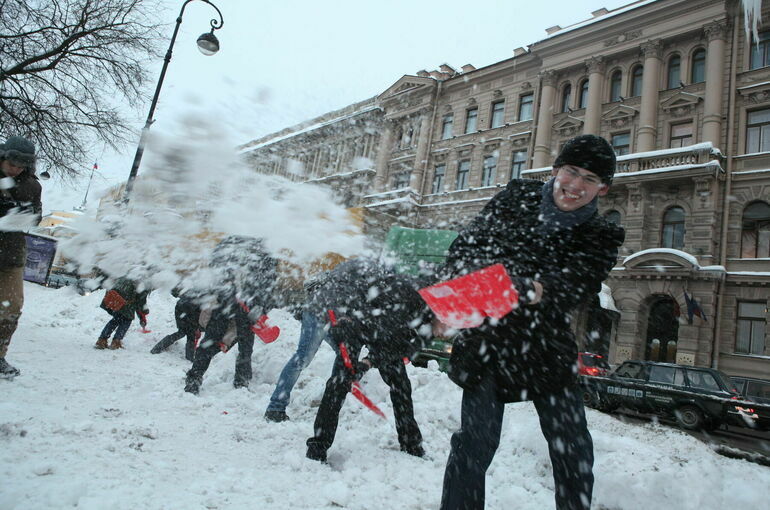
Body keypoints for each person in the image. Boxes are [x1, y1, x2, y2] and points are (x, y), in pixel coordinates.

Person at [438, 134, 625, 510]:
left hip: (546, 349)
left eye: (589, 179)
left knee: (573, 450)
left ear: (602, 188)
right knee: (474, 445)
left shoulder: (601, 234)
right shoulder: (516, 197)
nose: (575, 186)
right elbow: (464, 251)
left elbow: (574, 286)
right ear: (555, 170)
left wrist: (510, 282)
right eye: (571, 172)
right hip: (486, 343)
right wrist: (520, 286)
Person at [304, 259, 431, 463]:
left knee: (401, 385)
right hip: (356, 322)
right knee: (338, 383)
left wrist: (367, 363)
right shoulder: (408, 300)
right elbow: (389, 340)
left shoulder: (421, 317)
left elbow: (394, 348)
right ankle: (317, 447)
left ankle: (411, 444)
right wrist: (341, 328)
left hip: (379, 323)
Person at [184, 235, 278, 395]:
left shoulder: (265, 252)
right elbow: (215, 267)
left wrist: (261, 306)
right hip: (226, 302)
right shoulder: (232, 243)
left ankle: (241, 382)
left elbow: (268, 282)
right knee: (213, 340)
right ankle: (194, 378)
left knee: (245, 346)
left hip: (247, 306)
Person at [264, 269, 337, 423]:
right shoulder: (357, 273)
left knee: (347, 355)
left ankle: (344, 396)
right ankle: (275, 408)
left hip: (329, 313)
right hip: (318, 314)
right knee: (302, 358)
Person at [0, 136, 42, 378]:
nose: (16, 168)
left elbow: (37, 215)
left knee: (11, 308)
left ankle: (0, 354)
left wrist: (23, 214)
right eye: (12, 162)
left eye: (22, 164)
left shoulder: (32, 186)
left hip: (11, 255)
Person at [96, 276, 151, 350]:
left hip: (116, 301)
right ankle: (116, 342)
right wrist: (143, 314)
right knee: (126, 321)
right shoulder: (143, 283)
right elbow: (140, 302)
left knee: (115, 320)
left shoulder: (127, 275)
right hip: (126, 303)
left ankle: (102, 340)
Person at [150, 287, 202, 361]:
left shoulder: (196, 293)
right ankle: (189, 357)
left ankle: (158, 347)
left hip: (181, 310)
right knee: (189, 334)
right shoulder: (200, 299)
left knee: (183, 333)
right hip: (186, 311)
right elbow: (196, 316)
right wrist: (197, 328)